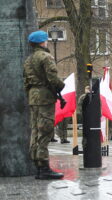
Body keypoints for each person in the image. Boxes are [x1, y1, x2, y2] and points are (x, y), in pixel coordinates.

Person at [23, 30, 65, 179]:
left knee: (35, 130)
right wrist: (61, 86)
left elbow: (26, 81)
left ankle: (38, 165)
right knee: (45, 131)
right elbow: (53, 79)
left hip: (33, 97)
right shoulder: (46, 57)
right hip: (45, 98)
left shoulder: (28, 60)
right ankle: (44, 168)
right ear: (43, 42)